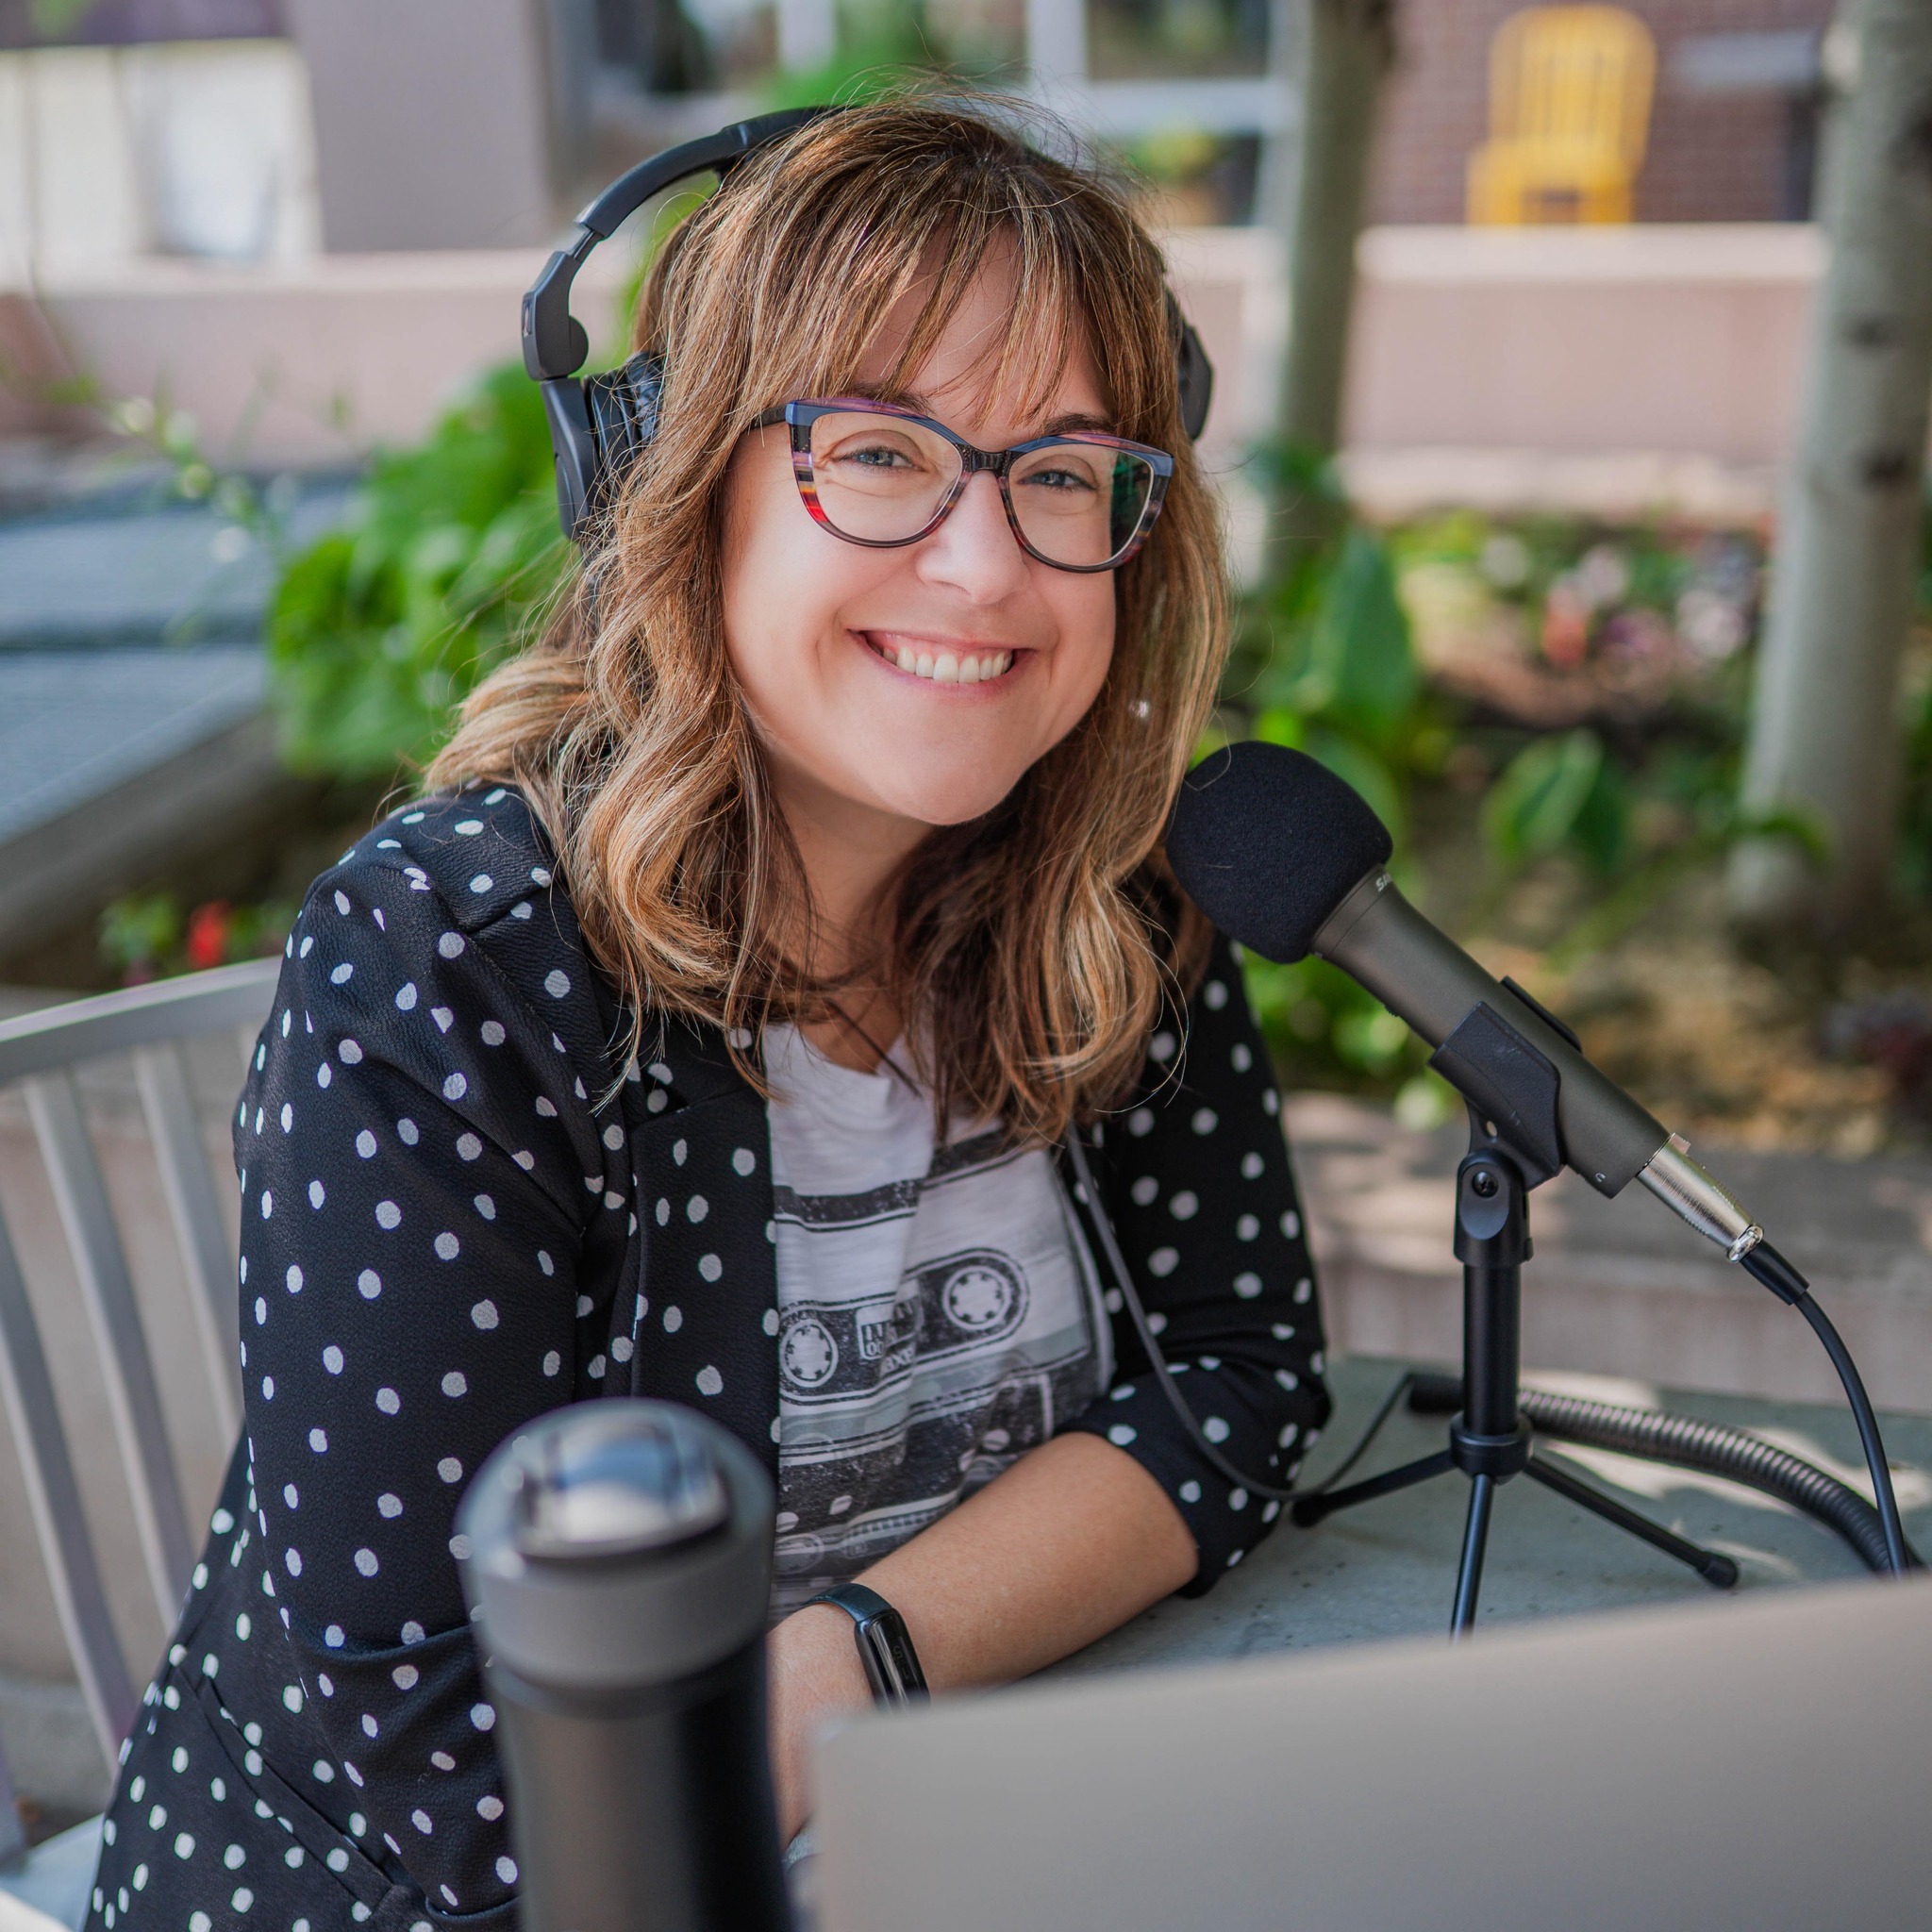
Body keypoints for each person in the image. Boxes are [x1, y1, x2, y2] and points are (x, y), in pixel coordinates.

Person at [86, 96, 1329, 1932]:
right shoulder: (456, 956)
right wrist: (880, 1709)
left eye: (1064, 473)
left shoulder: (1120, 890)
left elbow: (1237, 1383)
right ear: (677, 479)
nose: (988, 567)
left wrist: (853, 1666)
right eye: (884, 452)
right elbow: (459, 1766)